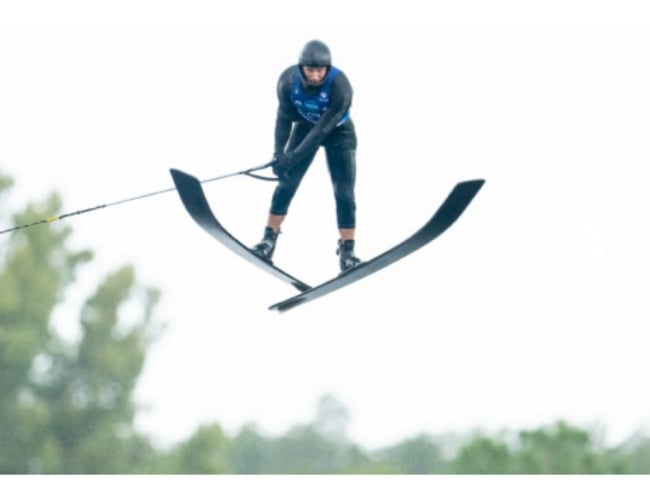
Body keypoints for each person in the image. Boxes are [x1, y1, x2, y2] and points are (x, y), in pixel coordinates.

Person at [251, 39, 362, 273]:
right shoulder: (287, 82)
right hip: (304, 127)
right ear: (301, 68)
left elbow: (322, 130)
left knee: (344, 192)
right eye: (310, 70)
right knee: (287, 183)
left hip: (338, 133)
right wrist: (278, 154)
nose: (315, 75)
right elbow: (283, 119)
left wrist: (294, 156)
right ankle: (268, 240)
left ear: (328, 68)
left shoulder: (341, 87)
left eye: (320, 70)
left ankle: (347, 252)